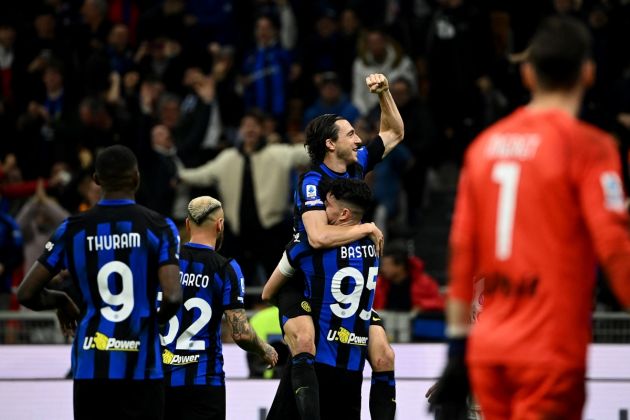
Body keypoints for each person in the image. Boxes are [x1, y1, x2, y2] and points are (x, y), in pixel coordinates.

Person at [431, 16, 630, 419]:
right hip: (548, 352)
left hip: (488, 353)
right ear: (588, 73)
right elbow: (615, 250)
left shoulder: (483, 148)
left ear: (526, 74)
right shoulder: (591, 147)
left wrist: (456, 352)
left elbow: (462, 254)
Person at [268, 73, 403, 420]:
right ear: (330, 144)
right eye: (351, 134)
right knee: (305, 342)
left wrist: (385, 94)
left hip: (346, 280)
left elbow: (394, 133)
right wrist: (365, 229)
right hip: (308, 279)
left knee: (384, 355)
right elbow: (316, 237)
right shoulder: (312, 182)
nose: (359, 139)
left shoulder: (357, 167)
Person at [17, 145, 183, 420]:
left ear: (96, 179)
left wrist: (60, 299)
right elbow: (173, 297)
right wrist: (148, 325)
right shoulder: (159, 227)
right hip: (142, 368)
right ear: (136, 178)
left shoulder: (72, 229)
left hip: (91, 366)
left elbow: (26, 293)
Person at [266, 178, 380, 420]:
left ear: (343, 213)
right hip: (352, 370)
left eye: (326, 206)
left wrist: (294, 311)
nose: (320, 212)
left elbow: (268, 292)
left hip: (313, 366)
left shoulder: (307, 245)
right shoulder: (374, 246)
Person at [162, 196, 277, 420]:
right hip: (204, 382)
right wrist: (264, 349)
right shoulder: (225, 268)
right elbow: (241, 333)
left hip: (158, 380)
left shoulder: (165, 263)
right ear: (220, 225)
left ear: (187, 224)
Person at [373, 244, 444, 314]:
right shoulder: (378, 284)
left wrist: (422, 306)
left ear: (400, 266)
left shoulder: (424, 283)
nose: (383, 269)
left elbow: (439, 302)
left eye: (387, 265)